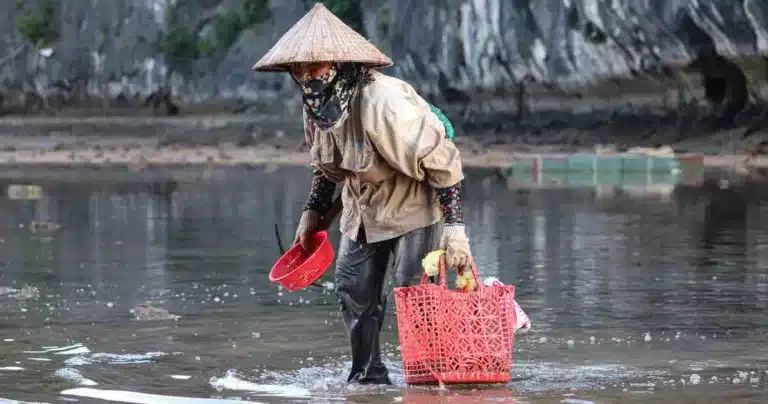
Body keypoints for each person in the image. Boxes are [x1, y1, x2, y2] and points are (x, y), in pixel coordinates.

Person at [253, 3, 473, 385]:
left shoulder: (383, 102)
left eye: (316, 65)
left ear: (339, 64)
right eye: (299, 68)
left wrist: (455, 230)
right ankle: (368, 378)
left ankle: (432, 380)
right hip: (363, 208)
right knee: (352, 286)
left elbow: (443, 161)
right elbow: (328, 167)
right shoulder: (315, 106)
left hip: (413, 205)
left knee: (413, 294)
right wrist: (312, 214)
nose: (307, 75)